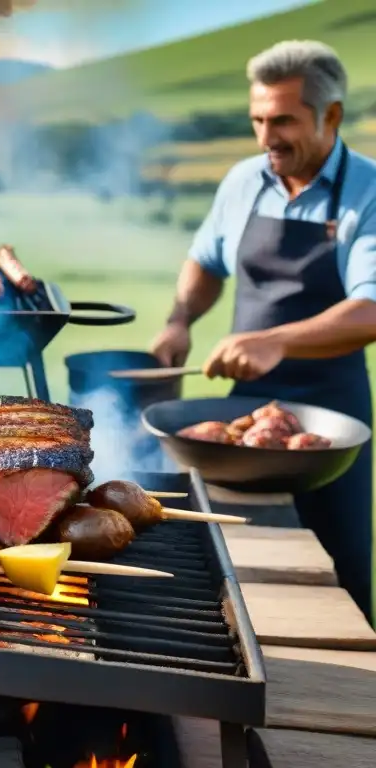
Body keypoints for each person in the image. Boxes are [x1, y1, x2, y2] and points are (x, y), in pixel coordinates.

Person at [150, 40, 376, 621]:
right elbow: (204, 260)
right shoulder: (245, 180)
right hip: (244, 416)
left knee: (343, 576)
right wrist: (181, 320)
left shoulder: (368, 192)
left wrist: (275, 339)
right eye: (257, 119)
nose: (266, 137)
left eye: (282, 120)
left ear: (331, 116)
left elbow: (371, 309)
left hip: (332, 425)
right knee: (237, 570)